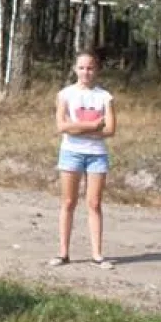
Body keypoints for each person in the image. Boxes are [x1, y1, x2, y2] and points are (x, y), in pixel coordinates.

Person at [50, 48, 117, 270]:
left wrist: (76, 128)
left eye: (90, 68)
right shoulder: (65, 94)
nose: (86, 72)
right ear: (74, 69)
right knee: (68, 202)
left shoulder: (104, 97)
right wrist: (91, 126)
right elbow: (61, 126)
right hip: (71, 153)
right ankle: (63, 252)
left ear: (96, 70)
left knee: (94, 203)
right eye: (81, 67)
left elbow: (110, 129)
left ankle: (97, 254)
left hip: (97, 155)